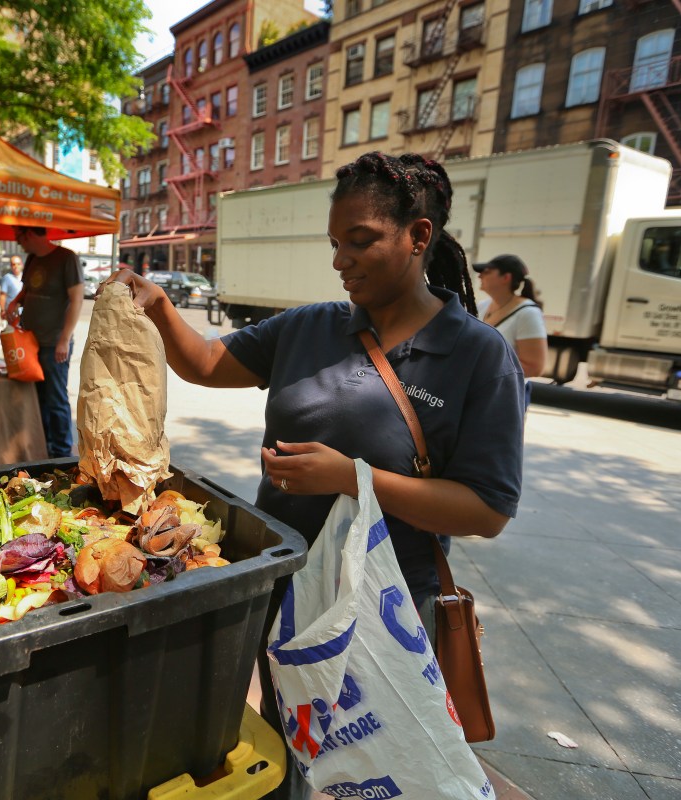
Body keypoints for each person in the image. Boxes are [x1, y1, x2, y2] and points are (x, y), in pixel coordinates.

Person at [111, 152, 524, 799]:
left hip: (382, 610)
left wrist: (350, 477)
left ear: (419, 236)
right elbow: (209, 364)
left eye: (360, 241)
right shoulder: (310, 326)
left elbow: (486, 510)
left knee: (372, 767)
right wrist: (160, 307)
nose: (340, 260)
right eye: (336, 243)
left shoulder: (478, 354)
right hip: (280, 592)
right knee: (287, 753)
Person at [4, 226, 84, 458]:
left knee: (56, 397)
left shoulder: (66, 258)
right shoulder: (31, 259)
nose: (19, 244)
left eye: (19, 238)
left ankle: (60, 451)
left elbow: (76, 300)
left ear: (29, 235)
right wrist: (14, 303)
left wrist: (64, 340)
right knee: (38, 397)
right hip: (30, 341)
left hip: (54, 342)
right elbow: (27, 289)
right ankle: (43, 445)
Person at [474, 254, 547, 379]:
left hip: (504, 392)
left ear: (506, 278)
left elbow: (535, 367)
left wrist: (482, 368)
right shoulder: (482, 306)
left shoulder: (528, 313)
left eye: (487, 272)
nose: (480, 276)